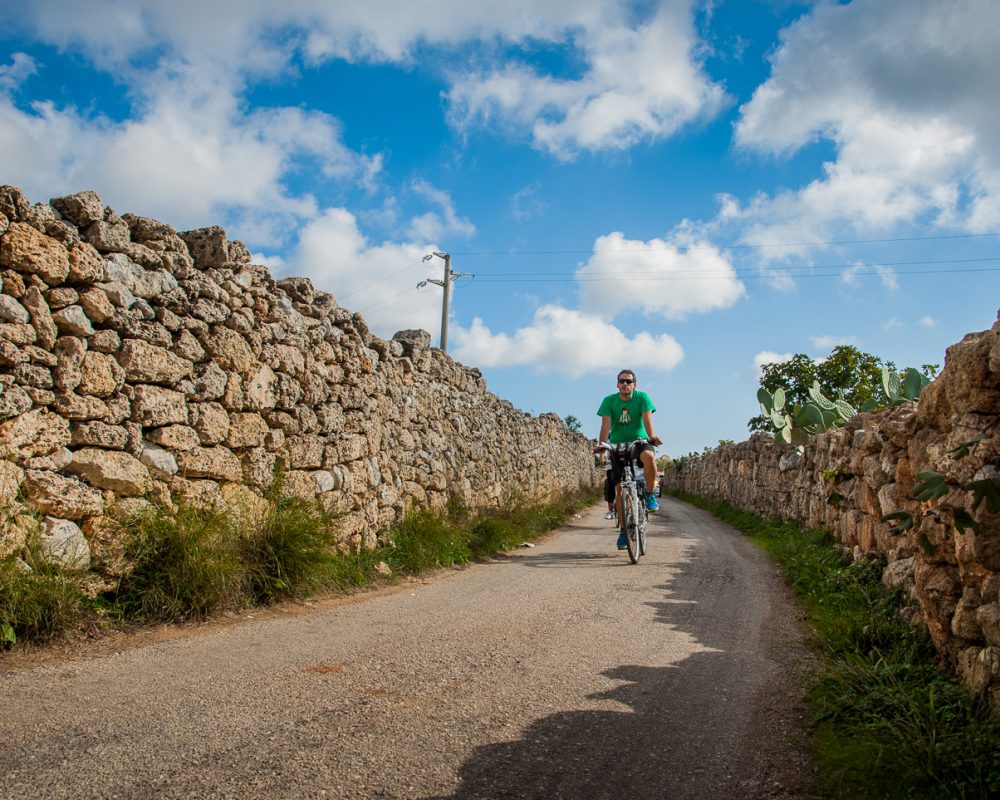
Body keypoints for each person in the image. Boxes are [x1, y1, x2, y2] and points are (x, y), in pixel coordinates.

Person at [594, 368, 662, 550]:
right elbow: (605, 424)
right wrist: (602, 446)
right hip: (617, 444)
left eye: (629, 381)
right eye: (622, 381)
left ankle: (648, 494)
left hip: (638, 441)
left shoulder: (642, 397)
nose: (625, 384)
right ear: (617, 384)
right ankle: (624, 532)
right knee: (619, 487)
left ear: (634, 385)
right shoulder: (609, 401)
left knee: (649, 456)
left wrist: (652, 436)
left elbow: (648, 420)